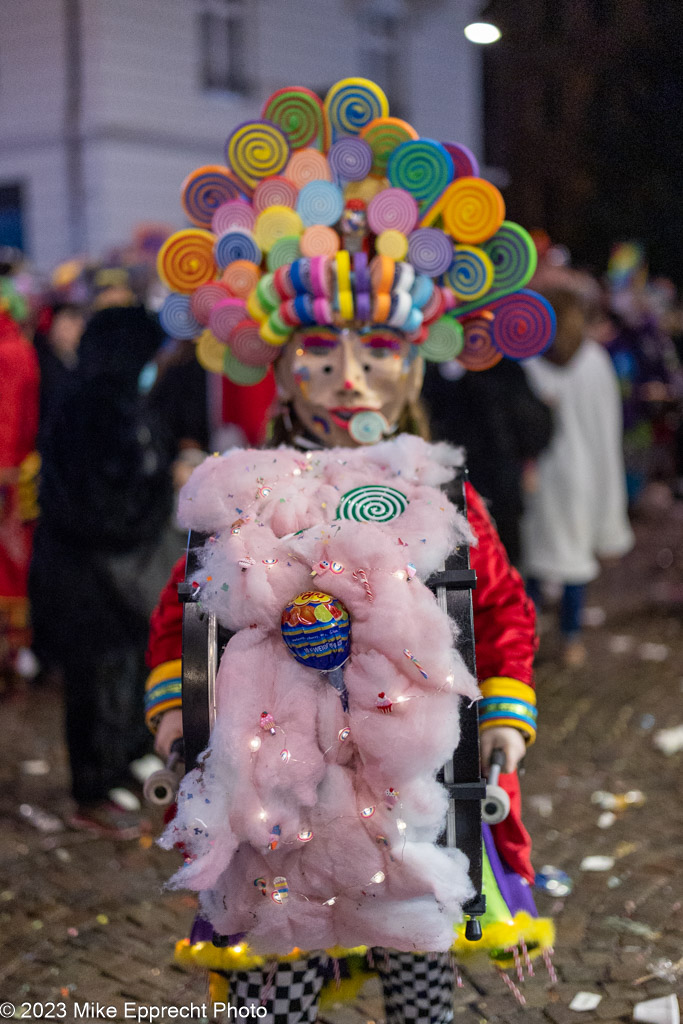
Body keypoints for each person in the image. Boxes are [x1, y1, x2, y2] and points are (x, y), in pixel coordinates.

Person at [145, 77, 554, 1023]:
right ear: (284, 363)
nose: (347, 378)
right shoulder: (246, 486)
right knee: (275, 989)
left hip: (413, 798)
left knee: (418, 982)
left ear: (409, 363)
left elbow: (497, 611)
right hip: (282, 805)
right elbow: (183, 609)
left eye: (373, 352)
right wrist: (181, 715)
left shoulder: (440, 489)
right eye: (321, 354)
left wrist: (501, 719)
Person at [30, 298, 177, 837]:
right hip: (86, 568)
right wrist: (144, 509)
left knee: (127, 666)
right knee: (94, 678)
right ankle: (93, 785)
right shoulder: (85, 403)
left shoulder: (127, 399)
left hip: (119, 564)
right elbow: (86, 499)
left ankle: (124, 755)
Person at [521, 283, 634, 667]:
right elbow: (606, 428)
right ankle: (571, 640)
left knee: (532, 562)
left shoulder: (528, 361)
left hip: (539, 480)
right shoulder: (595, 360)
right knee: (574, 562)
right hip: (583, 478)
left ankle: (525, 638)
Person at [421, 358, 553, 565]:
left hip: (457, 491)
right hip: (491, 491)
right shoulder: (505, 370)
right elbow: (533, 429)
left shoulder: (431, 372)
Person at [0, 271, 40, 689]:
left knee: (10, 565)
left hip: (8, 477)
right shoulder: (17, 348)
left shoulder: (10, 351)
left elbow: (12, 421)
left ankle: (16, 651)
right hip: (12, 472)